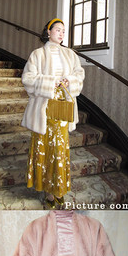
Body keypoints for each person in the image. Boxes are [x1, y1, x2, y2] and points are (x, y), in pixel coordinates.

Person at [21, 18, 85, 209]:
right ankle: (48, 190)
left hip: (63, 107)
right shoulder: (37, 54)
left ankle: (58, 188)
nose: (61, 33)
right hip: (44, 107)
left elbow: (79, 74)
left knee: (60, 148)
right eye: (57, 30)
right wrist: (51, 82)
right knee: (45, 147)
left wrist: (68, 81)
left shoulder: (70, 54)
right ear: (48, 32)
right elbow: (28, 79)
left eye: (63, 31)